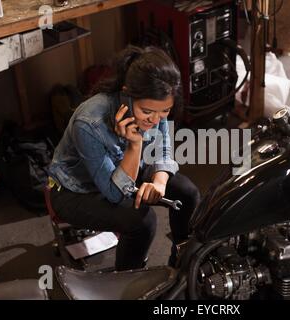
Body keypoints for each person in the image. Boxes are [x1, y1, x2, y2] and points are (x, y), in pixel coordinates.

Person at [47, 45, 200, 271]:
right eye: (147, 111)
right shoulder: (89, 123)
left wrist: (159, 182)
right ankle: (128, 283)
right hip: (76, 192)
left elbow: (162, 148)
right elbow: (115, 193)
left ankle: (181, 261)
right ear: (128, 93)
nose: (155, 120)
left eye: (165, 111)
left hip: (127, 170)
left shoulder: (157, 104)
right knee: (141, 221)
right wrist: (135, 144)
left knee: (188, 193)